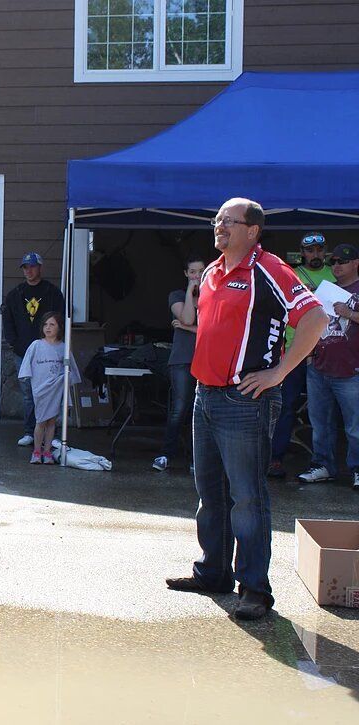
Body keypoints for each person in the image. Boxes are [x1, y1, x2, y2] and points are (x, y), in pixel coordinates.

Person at [165, 198, 327, 621]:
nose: (219, 226)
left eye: (229, 221)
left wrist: (280, 372)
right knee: (210, 493)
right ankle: (213, 573)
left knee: (247, 498)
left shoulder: (269, 269)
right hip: (206, 396)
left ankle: (254, 588)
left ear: (252, 230)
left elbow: (315, 318)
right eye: (217, 219)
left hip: (245, 400)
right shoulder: (214, 272)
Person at [268, 232, 335, 478]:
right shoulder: (292, 273)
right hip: (294, 351)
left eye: (319, 250)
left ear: (325, 251)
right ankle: (275, 458)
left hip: (325, 350)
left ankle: (324, 463)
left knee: (325, 410)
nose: (315, 254)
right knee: (285, 406)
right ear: (302, 252)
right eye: (310, 250)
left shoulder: (336, 272)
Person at [297, 243, 359, 489]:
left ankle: (356, 469)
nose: (336, 266)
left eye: (342, 262)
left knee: (355, 426)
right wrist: (310, 355)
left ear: (356, 263)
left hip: (351, 369)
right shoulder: (325, 289)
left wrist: (349, 313)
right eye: (333, 262)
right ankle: (323, 465)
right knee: (320, 423)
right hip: (319, 367)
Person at [2, 251, 65, 447]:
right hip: (24, 353)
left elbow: (61, 319)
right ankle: (30, 432)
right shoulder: (15, 294)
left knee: (52, 393)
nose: (28, 271)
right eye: (25, 267)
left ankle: (52, 435)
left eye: (32, 266)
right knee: (29, 394)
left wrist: (54, 342)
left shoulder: (52, 292)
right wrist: (16, 344)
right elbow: (8, 321)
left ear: (40, 267)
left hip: (50, 352)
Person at [152, 256, 206, 472]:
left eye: (201, 271)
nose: (197, 276)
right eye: (193, 272)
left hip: (206, 359)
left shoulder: (211, 295)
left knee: (201, 410)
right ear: (186, 274)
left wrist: (187, 329)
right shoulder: (176, 295)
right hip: (182, 360)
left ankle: (197, 459)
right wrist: (190, 291)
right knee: (180, 408)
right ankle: (166, 454)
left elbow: (210, 327)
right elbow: (186, 318)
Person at [18, 311, 80, 464]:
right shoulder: (36, 345)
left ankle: (47, 452)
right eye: (45, 324)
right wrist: (26, 377)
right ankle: (37, 451)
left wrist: (69, 379)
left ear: (59, 327)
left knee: (52, 421)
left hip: (56, 389)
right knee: (40, 421)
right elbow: (26, 363)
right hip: (41, 388)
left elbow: (70, 366)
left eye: (52, 324)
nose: (48, 328)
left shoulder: (63, 347)